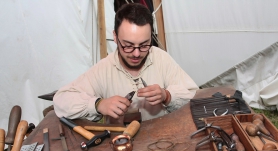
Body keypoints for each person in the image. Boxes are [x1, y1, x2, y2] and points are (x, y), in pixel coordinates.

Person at [53, 3, 198, 123]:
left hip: (162, 140)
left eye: (144, 45)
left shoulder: (160, 58)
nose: (136, 53)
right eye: (128, 45)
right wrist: (98, 104)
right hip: (122, 145)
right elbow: (61, 100)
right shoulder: (104, 69)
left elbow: (194, 95)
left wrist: (167, 96)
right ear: (115, 37)